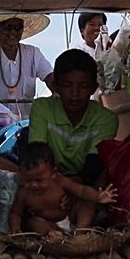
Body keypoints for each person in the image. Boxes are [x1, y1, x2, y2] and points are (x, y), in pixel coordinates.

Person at [28, 48, 117, 185]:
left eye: (83, 86)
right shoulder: (41, 107)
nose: (75, 93)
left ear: (94, 88)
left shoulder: (106, 119)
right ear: (55, 86)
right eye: (67, 85)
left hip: (84, 183)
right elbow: (38, 156)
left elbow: (94, 164)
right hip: (48, 181)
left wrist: (72, 188)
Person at [9, 142, 117, 238]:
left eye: (39, 180)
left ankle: (80, 233)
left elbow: (82, 190)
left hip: (71, 217)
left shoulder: (61, 182)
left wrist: (97, 196)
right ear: (20, 175)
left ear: (53, 173)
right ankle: (53, 235)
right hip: (49, 224)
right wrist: (15, 228)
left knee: (87, 203)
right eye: (28, 181)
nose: (34, 185)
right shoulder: (24, 193)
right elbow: (16, 213)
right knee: (33, 222)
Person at [0, 14, 55, 119]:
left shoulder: (33, 52)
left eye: (18, 28)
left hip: (26, 121)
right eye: (8, 27)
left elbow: (50, 77)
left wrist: (57, 93)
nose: (13, 32)